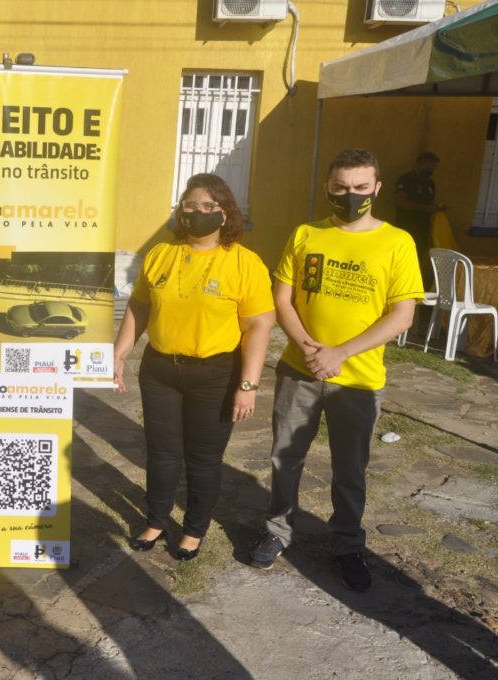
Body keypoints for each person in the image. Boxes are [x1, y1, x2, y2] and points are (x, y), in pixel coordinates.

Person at [250, 148, 422, 591]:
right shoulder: (306, 233)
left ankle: (347, 544)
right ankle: (277, 531)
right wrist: (309, 348)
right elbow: (282, 298)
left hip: (358, 380)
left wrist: (339, 354)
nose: (350, 195)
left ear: (377, 188)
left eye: (361, 187)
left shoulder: (397, 242)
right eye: (341, 187)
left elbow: (401, 316)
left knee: (350, 468)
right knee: (285, 458)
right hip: (299, 369)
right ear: (327, 187)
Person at [114, 173, 275, 561]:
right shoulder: (160, 254)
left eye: (208, 206)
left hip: (215, 376)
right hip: (160, 371)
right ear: (180, 210)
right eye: (190, 205)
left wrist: (248, 386)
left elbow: (258, 325)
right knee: (162, 453)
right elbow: (140, 306)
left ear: (225, 213)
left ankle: (193, 530)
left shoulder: (244, 262)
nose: (198, 212)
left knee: (203, 459)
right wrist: (118, 353)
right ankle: (156, 520)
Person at [395, 151, 444, 286]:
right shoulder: (406, 180)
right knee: (403, 260)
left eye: (433, 168)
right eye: (428, 167)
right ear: (419, 164)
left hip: (423, 228)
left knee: (418, 258)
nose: (431, 171)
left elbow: (429, 202)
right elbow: (401, 202)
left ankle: (411, 286)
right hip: (406, 227)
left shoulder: (430, 183)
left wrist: (437, 208)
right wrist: (425, 208)